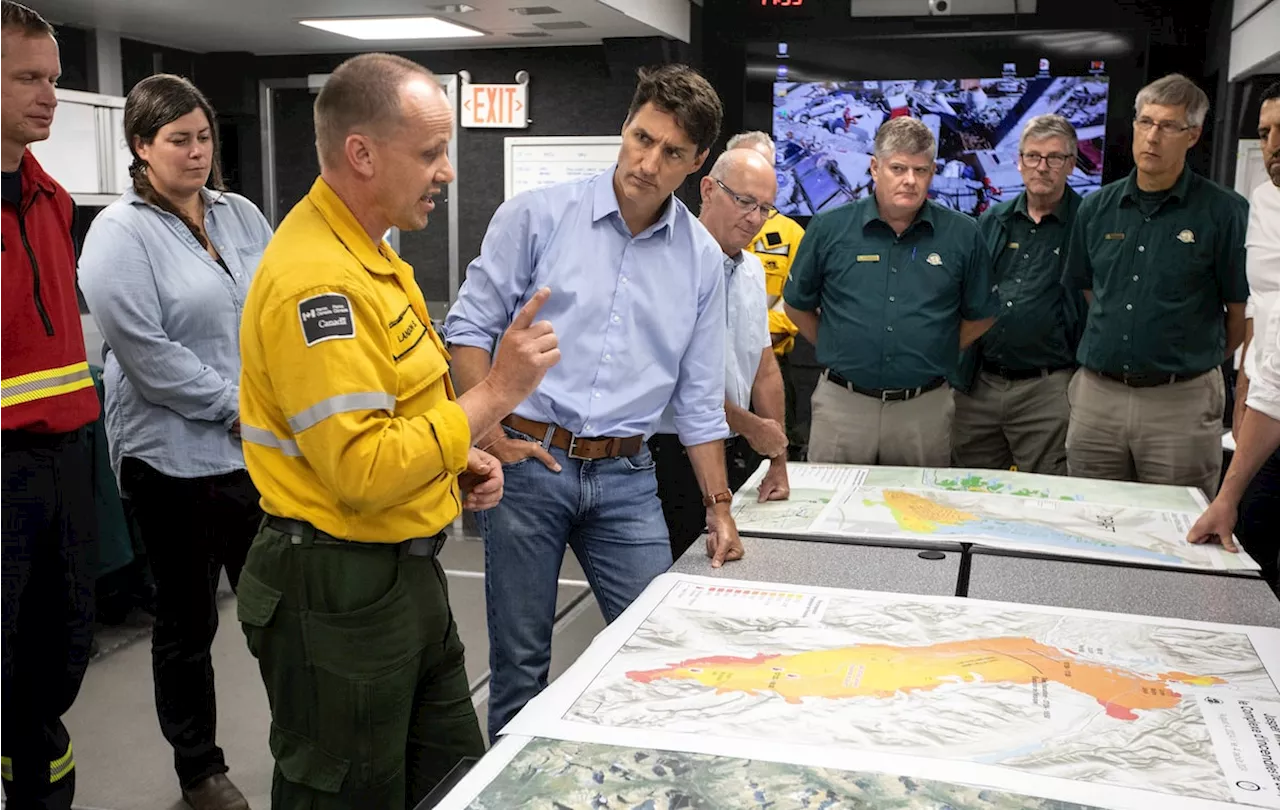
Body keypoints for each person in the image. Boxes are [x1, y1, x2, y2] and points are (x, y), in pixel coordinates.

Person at [234, 53, 559, 809]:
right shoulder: (322, 283)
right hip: (336, 589)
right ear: (361, 153)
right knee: (345, 793)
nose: (446, 171)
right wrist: (499, 393)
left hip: (404, 573)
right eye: (431, 153)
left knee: (449, 783)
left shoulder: (372, 258)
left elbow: (397, 417)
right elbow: (365, 469)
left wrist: (456, 462)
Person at [445, 63, 742, 742]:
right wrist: (488, 439)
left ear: (697, 164)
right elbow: (466, 331)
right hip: (528, 463)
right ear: (625, 125)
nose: (647, 161)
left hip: (626, 480)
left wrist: (719, 509)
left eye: (671, 152)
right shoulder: (536, 218)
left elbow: (698, 400)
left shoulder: (699, 260)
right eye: (641, 137)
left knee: (657, 655)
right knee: (520, 665)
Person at [78, 75, 271, 810]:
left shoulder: (242, 215)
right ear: (141, 147)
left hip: (255, 453)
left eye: (203, 137)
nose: (197, 153)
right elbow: (147, 355)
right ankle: (199, 769)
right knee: (187, 622)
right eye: (178, 140)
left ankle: (305, 735)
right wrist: (238, 407)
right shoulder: (117, 235)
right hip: (171, 460)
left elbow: (275, 306)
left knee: (278, 610)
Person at [0, 5, 100, 809]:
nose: (49, 96)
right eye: (27, 78)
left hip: (66, 466)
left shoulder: (52, 199)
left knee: (55, 665)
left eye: (53, 79)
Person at [1063, 74, 1248, 498]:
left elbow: (1239, 315)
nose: (1152, 136)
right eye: (1145, 122)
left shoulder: (1224, 212)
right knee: (1089, 522)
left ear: (1193, 136)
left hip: (1179, 402)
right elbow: (1091, 292)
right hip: (1098, 399)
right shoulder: (1097, 208)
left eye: (1168, 126)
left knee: (1176, 529)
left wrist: (1188, 360)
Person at [783, 116, 998, 466]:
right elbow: (796, 305)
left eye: (921, 170)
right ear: (874, 167)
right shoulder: (829, 228)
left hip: (923, 409)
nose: (910, 180)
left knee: (920, 515)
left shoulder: (964, 234)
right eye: (898, 168)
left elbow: (983, 313)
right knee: (832, 514)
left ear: (932, 172)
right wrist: (832, 345)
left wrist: (937, 347)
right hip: (843, 405)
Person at [650, 146, 791, 559]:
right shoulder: (668, 263)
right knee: (676, 574)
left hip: (738, 448)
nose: (755, 218)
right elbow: (681, 382)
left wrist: (776, 457)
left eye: (765, 208)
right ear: (708, 189)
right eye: (745, 201)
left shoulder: (750, 269)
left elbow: (763, 366)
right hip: (673, 454)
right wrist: (752, 426)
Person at [952, 114, 1085, 475]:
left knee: (1045, 496)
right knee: (968, 491)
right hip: (980, 383)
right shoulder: (992, 221)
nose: (1042, 167)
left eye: (1054, 158)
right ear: (1019, 161)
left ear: (1071, 164)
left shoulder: (1087, 223)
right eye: (1033, 156)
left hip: (1049, 388)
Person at [1188, 82, 1280, 561]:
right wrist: (1242, 399)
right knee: (1252, 554)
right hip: (1265, 416)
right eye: (1265, 133)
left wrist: (1226, 493)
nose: (1273, 146)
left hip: (1274, 405)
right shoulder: (1265, 201)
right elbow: (1264, 316)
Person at [729, 131, 808, 454]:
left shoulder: (792, 234)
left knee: (768, 457)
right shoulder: (701, 228)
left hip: (770, 366)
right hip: (713, 373)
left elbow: (797, 306)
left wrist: (748, 334)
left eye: (766, 165)